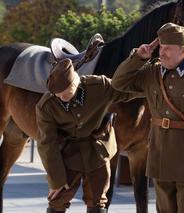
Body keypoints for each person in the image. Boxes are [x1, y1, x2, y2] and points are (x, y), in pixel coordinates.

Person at [111, 22, 184, 213]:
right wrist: (138, 58)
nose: (162, 53)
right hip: (160, 158)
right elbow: (119, 83)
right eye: (161, 48)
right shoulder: (152, 73)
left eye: (168, 49)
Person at [36, 58, 140, 213]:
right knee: (58, 198)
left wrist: (138, 59)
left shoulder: (99, 86)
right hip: (68, 154)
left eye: (66, 94)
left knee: (98, 200)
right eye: (57, 95)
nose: (61, 98)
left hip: (98, 151)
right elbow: (47, 143)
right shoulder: (46, 106)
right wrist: (56, 180)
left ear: (76, 83)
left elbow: (125, 89)